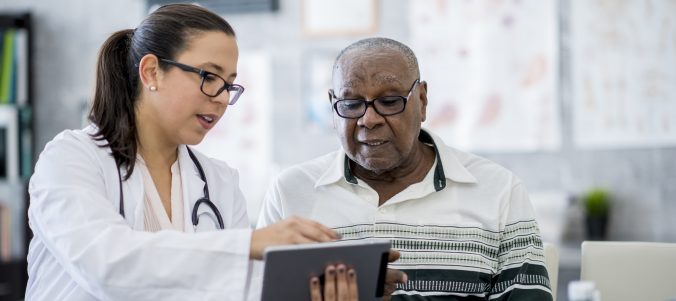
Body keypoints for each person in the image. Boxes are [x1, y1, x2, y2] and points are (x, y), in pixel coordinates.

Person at [26, 4, 354, 301]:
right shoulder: (71, 159)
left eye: (229, 84)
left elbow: (244, 291)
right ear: (152, 72)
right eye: (209, 77)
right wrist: (248, 244)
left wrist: (321, 286)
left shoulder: (219, 181)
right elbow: (106, 264)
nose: (223, 98)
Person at [257, 37, 554, 300]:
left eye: (389, 101)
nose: (368, 119)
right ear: (333, 105)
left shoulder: (498, 191)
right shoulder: (291, 193)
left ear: (422, 101)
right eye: (350, 104)